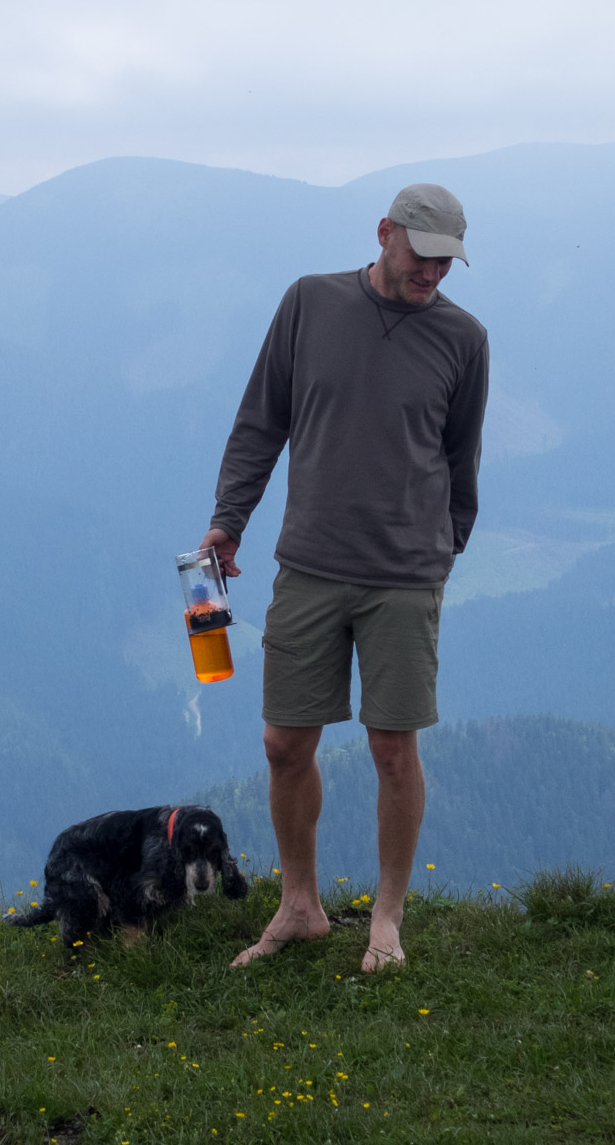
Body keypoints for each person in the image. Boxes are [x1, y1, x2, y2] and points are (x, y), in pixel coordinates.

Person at [200, 183, 488, 973]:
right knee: (283, 743)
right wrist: (230, 520)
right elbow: (262, 420)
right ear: (386, 234)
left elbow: (461, 458)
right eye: (424, 257)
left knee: (394, 749)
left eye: (447, 263)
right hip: (310, 564)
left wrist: (442, 548)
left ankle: (386, 922)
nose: (434, 275)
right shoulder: (309, 304)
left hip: (405, 575)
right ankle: (301, 907)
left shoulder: (464, 339)